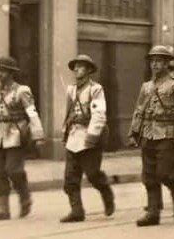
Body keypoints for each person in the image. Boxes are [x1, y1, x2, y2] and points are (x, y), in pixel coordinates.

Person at [129, 45, 174, 226]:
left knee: (164, 173)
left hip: (167, 133)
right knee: (149, 176)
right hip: (148, 133)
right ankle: (153, 213)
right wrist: (134, 132)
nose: (155, 65)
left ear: (166, 63)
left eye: (159, 61)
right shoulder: (146, 86)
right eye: (152, 61)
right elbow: (139, 110)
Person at [0, 56, 45, 221]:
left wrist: (38, 134)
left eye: (3, 71)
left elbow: (32, 113)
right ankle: (2, 209)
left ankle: (25, 197)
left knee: (13, 170)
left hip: (16, 135)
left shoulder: (22, 91)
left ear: (11, 73)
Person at [60, 54, 114, 222]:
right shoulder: (71, 89)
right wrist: (65, 131)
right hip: (74, 136)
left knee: (92, 174)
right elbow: (68, 113)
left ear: (89, 70)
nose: (76, 69)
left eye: (81, 66)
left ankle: (107, 193)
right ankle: (77, 211)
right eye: (75, 66)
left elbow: (99, 114)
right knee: (70, 178)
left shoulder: (95, 89)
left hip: (89, 136)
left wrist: (92, 136)